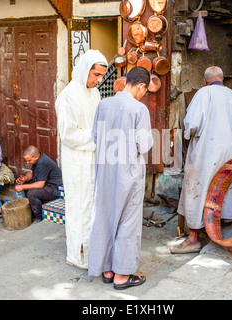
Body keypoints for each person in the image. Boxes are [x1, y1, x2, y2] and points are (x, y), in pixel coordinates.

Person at [88, 66, 153, 290]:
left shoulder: (103, 104)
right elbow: (143, 145)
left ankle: (106, 269)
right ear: (142, 86)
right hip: (129, 174)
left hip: (105, 172)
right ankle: (122, 276)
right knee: (128, 222)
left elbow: (95, 137)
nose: (144, 94)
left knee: (105, 216)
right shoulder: (139, 109)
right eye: (145, 90)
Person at [170, 66, 232, 254]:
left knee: (199, 188)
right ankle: (216, 234)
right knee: (220, 190)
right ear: (222, 79)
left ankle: (193, 239)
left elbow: (192, 124)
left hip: (207, 151)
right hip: (228, 152)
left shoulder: (204, 93)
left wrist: (189, 135)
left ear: (205, 80)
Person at [55, 50, 108, 270]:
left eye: (101, 76)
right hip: (77, 162)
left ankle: (92, 251)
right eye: (96, 74)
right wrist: (97, 137)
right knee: (79, 207)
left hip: (92, 159)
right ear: (85, 70)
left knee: (92, 206)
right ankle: (79, 256)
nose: (99, 80)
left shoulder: (94, 93)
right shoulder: (68, 95)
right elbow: (68, 135)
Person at [14, 146, 63, 222]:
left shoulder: (42, 162)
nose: (27, 162)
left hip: (55, 190)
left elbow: (40, 185)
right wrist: (24, 179)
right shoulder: (38, 158)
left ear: (36, 156)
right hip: (47, 185)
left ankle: (39, 217)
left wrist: (23, 187)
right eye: (26, 160)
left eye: (29, 160)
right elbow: (31, 172)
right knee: (26, 185)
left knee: (32, 193)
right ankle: (30, 211)